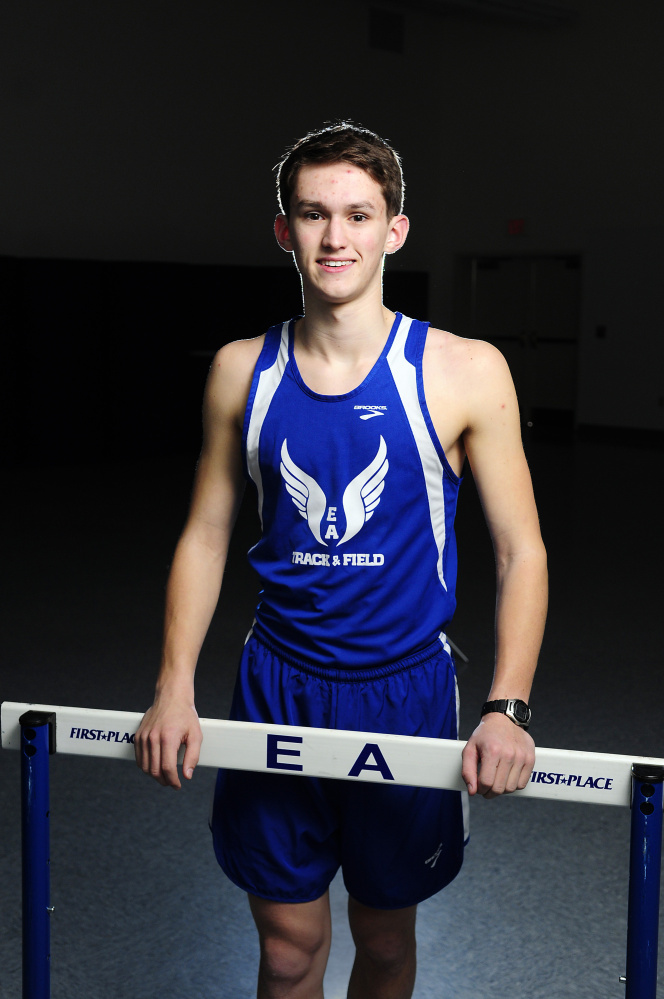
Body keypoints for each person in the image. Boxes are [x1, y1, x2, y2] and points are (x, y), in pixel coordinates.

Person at [135, 122, 548, 999]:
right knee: (287, 953)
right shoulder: (240, 371)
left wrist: (507, 704)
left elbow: (522, 551)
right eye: (314, 215)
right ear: (284, 231)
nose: (336, 237)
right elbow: (205, 535)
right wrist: (174, 684)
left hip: (404, 693)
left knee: (385, 941)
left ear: (394, 229)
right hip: (279, 685)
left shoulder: (465, 371)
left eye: (359, 215)